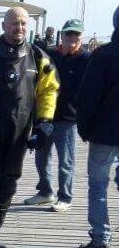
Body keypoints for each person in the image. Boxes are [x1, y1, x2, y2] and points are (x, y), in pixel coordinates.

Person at [0, 7, 59, 248]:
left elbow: (49, 90)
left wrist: (44, 124)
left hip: (20, 132)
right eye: (14, 23)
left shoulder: (38, 56)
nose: (19, 28)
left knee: (8, 183)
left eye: (23, 24)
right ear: (4, 26)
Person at [24, 19, 90, 212]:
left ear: (81, 37)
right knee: (41, 157)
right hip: (45, 116)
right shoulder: (51, 55)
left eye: (76, 35)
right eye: (69, 34)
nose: (72, 38)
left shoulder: (86, 59)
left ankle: (65, 197)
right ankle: (45, 192)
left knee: (65, 161)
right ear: (62, 35)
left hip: (68, 119)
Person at [74, 6, 119, 248]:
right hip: (105, 131)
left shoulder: (103, 55)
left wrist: (84, 127)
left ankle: (101, 239)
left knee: (98, 185)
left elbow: (88, 96)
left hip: (104, 132)